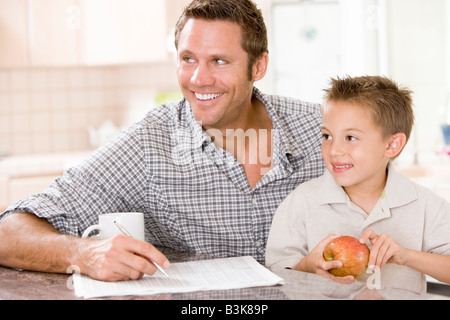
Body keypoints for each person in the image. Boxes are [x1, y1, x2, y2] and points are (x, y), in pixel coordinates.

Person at [0, 0, 324, 282]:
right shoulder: (148, 143)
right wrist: (83, 253)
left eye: (219, 61)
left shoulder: (321, 128)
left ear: (259, 66)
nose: (198, 79)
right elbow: (8, 233)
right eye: (188, 59)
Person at [265, 75, 450, 294]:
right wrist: (308, 266)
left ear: (392, 144)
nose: (334, 150)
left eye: (350, 138)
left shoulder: (426, 205)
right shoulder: (301, 201)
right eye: (327, 136)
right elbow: (276, 278)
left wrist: (407, 256)